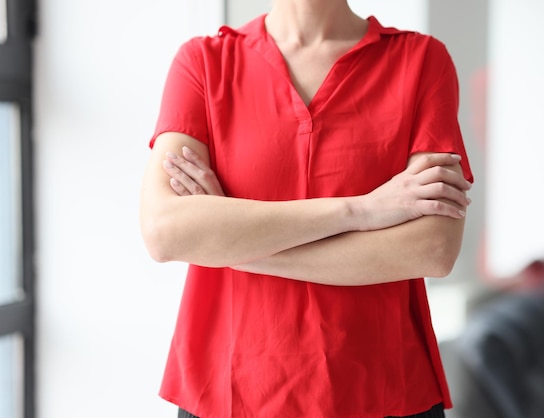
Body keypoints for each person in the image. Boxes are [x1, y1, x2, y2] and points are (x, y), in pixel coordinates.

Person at [140, 0, 473, 416]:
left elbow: (432, 249)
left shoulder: (420, 60)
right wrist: (362, 211)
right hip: (229, 393)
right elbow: (165, 232)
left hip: (382, 391)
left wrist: (229, 243)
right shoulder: (204, 62)